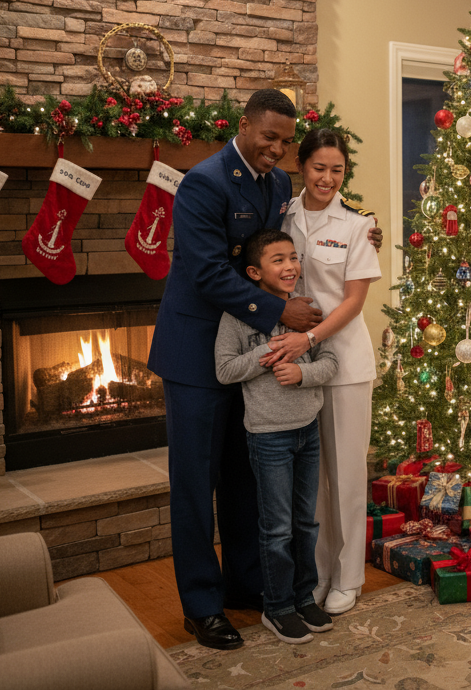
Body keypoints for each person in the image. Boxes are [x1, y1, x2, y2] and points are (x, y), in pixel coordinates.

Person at [147, 89, 380, 650]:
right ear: (244, 125)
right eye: (268, 136)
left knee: (246, 477)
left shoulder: (278, 185)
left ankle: (250, 584)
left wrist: (364, 229)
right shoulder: (202, 181)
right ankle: (202, 606)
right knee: (195, 485)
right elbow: (207, 273)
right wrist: (281, 310)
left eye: (284, 141)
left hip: (253, 358)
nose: (276, 148)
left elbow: (306, 232)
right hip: (197, 353)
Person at [265, 129, 381, 616]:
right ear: (301, 166)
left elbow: (354, 301)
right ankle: (314, 575)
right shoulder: (282, 216)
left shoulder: (357, 226)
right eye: (319, 168)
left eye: (337, 169)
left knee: (347, 477)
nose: (327, 178)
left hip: (344, 365)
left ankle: (348, 577)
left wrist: (309, 338)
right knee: (308, 483)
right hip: (295, 366)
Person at [215, 230, 339, 645]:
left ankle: (304, 596)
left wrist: (303, 373)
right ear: (254, 272)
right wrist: (267, 353)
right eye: (277, 260)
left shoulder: (308, 310)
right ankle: (278, 606)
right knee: (277, 527)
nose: (289, 267)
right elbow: (225, 370)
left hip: (308, 431)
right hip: (267, 437)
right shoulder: (237, 318)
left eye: (293, 258)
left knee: (306, 522)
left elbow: (331, 362)